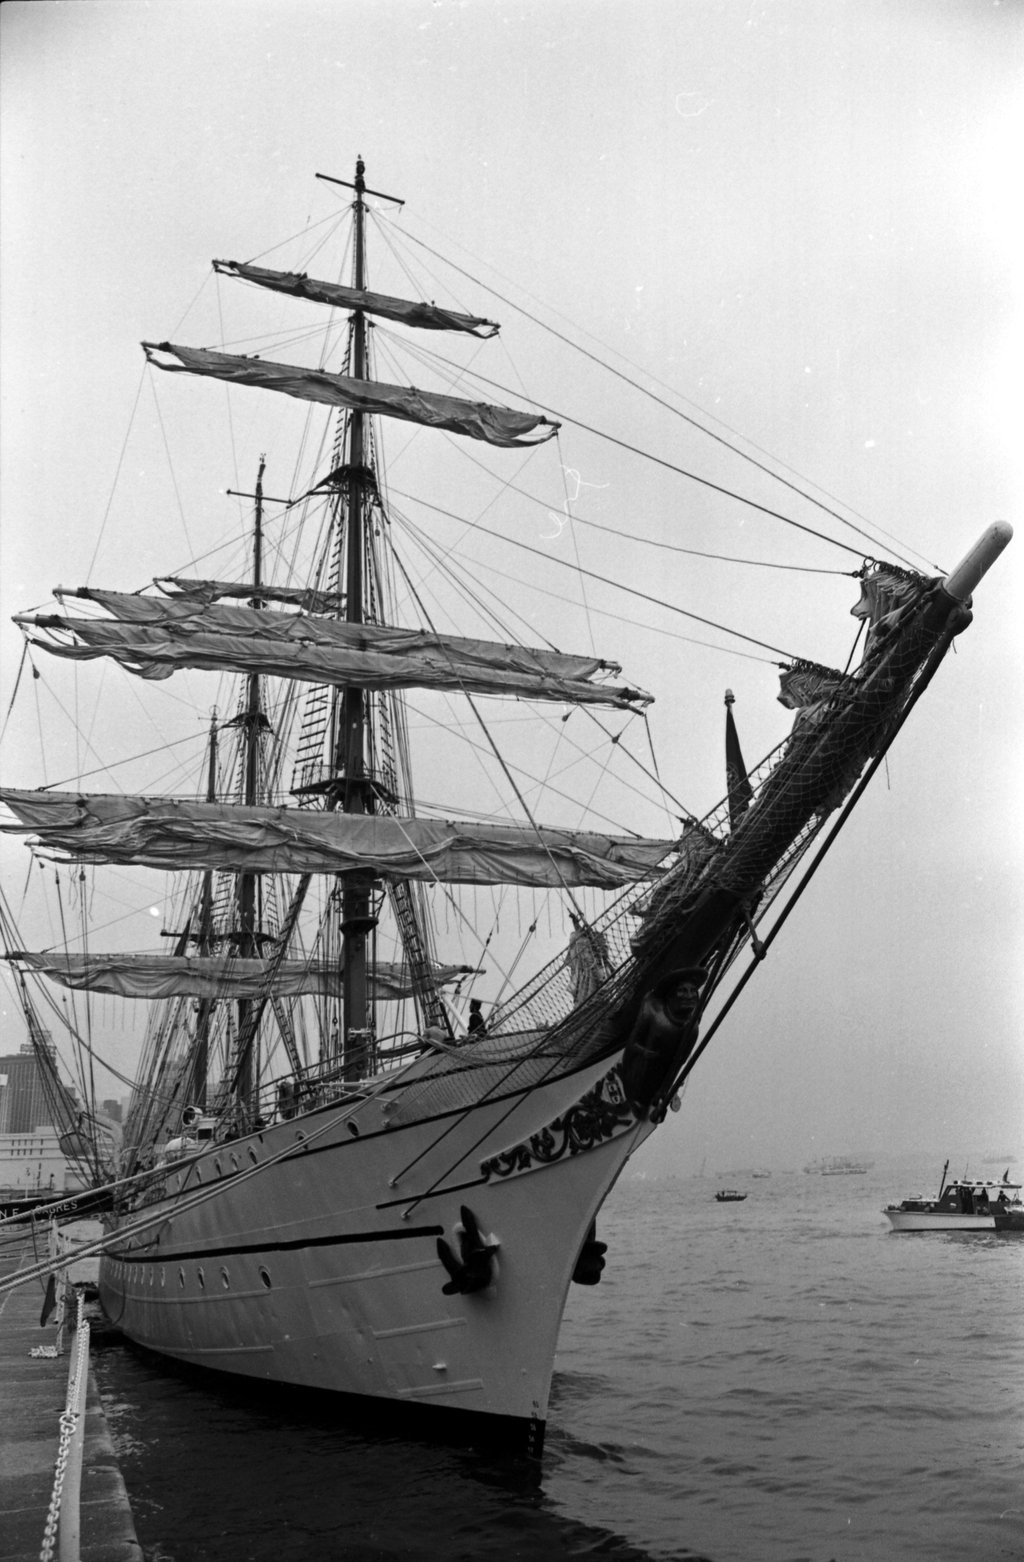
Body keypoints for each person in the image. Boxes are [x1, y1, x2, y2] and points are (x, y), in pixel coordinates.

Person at [565, 912, 611, 1004]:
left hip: (597, 968)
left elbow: (602, 950)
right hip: (587, 972)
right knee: (586, 993)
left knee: (600, 984)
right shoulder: (580, 948)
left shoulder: (592, 942)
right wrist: (576, 923)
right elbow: (581, 937)